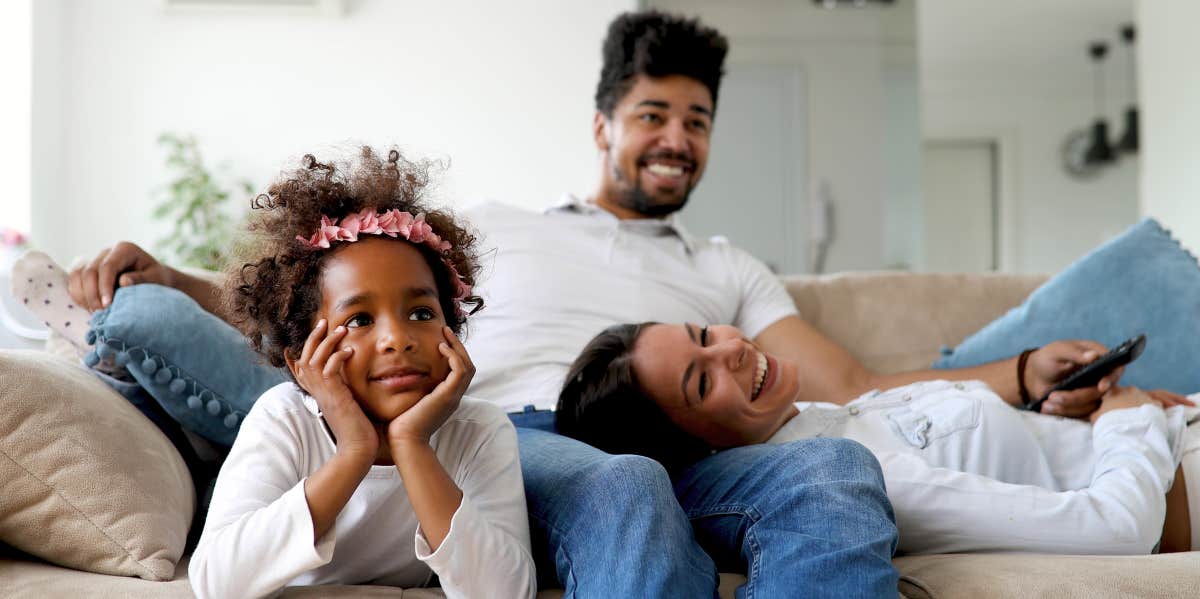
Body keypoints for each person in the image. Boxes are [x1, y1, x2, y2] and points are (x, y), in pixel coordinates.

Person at [63, 11, 906, 598]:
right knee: (626, 483)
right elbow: (329, 292)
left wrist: (1010, 371)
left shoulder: (730, 268)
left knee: (835, 470)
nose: (679, 139)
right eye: (655, 113)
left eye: (699, 119)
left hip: (686, 443)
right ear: (602, 126)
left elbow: (853, 375)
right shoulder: (488, 233)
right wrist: (176, 279)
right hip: (541, 435)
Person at [187, 148, 535, 599]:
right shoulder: (282, 420)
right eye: (360, 321)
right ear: (300, 359)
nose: (397, 339)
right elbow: (216, 583)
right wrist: (354, 451)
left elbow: (507, 593)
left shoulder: (479, 430)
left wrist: (411, 444)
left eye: (421, 312)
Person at [557, 322, 1200, 556]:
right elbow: (1116, 528)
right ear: (693, 449)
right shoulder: (853, 480)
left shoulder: (812, 415)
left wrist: (1067, 408)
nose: (733, 348)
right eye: (700, 383)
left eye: (704, 334)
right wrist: (1128, 416)